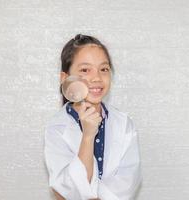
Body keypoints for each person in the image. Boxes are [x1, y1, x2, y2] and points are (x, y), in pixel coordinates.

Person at [44, 34, 142, 200]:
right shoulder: (56, 128)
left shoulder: (124, 124)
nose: (97, 78)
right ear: (65, 78)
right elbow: (64, 190)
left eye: (103, 69)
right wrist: (88, 136)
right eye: (85, 70)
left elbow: (129, 182)